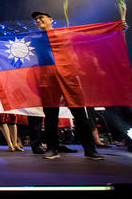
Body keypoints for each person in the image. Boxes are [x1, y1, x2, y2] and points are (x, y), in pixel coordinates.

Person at [31, 12, 104, 160]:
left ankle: (90, 149)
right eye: (36, 19)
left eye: (41, 18)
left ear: (50, 20)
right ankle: (52, 149)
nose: (38, 20)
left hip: (68, 77)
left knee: (80, 115)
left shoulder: (64, 35)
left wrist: (117, 29)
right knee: (51, 116)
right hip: (48, 79)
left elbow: (91, 37)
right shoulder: (36, 39)